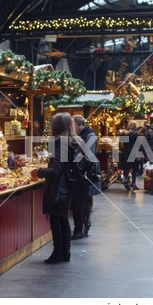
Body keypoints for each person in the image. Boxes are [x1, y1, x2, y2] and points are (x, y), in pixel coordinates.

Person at [30, 112, 77, 264]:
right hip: (66, 188)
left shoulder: (59, 143)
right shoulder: (71, 141)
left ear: (58, 126)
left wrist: (38, 172)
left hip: (58, 189)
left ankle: (58, 253)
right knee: (63, 220)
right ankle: (65, 253)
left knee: (56, 221)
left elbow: (56, 170)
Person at [71, 115, 101, 239]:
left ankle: (84, 226)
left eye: (72, 124)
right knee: (82, 200)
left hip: (86, 173)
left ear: (78, 124)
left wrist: (74, 162)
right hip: (82, 172)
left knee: (82, 201)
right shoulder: (84, 135)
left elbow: (88, 156)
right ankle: (83, 226)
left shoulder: (90, 136)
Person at [120, 120, 140, 190]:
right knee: (134, 169)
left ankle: (126, 182)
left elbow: (121, 144)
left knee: (126, 168)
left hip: (125, 152)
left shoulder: (123, 133)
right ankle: (133, 183)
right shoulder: (136, 134)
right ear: (135, 126)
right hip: (133, 152)